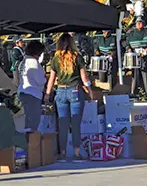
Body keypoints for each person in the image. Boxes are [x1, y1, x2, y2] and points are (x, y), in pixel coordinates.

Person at [45, 33, 93, 162]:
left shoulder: (55, 59)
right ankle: (77, 152)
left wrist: (47, 94)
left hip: (60, 90)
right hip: (75, 91)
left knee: (63, 124)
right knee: (76, 124)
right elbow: (85, 78)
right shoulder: (77, 57)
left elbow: (51, 79)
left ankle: (63, 152)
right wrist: (89, 91)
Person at [18, 40, 46, 133]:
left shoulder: (23, 61)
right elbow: (40, 81)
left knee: (25, 122)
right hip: (33, 95)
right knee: (32, 124)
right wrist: (46, 78)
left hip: (22, 92)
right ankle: (31, 145)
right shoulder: (34, 63)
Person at [125, 17, 147, 96]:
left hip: (146, 57)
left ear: (143, 23)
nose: (139, 24)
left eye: (140, 22)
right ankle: (135, 94)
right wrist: (129, 49)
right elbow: (126, 44)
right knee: (135, 77)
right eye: (137, 23)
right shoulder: (131, 33)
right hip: (135, 58)